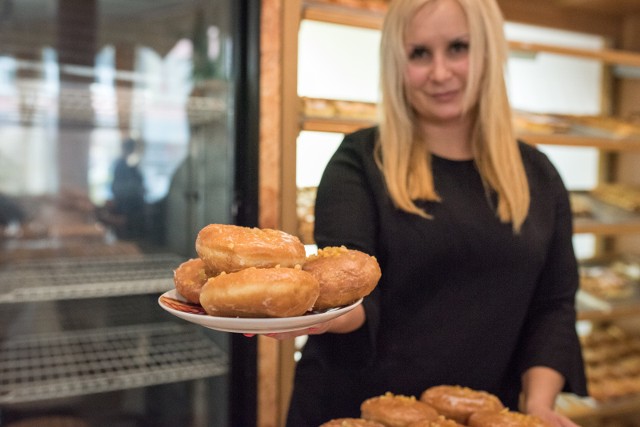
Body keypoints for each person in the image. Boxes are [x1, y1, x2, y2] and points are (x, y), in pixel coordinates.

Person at [274, 0, 588, 426]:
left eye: (458, 47)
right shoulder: (361, 160)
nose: (440, 73)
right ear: (395, 63)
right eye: (419, 53)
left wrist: (538, 406)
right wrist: (311, 314)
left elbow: (553, 306)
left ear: (488, 52)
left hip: (482, 412)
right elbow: (352, 293)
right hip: (357, 409)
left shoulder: (538, 174)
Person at [110, 138, 146, 239]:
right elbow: (118, 188)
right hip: (125, 209)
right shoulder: (121, 165)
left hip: (134, 210)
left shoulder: (133, 165)